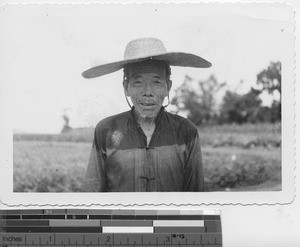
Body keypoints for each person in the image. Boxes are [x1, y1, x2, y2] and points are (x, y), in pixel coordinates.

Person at [82, 37, 211, 192]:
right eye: (138, 82)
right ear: (126, 87)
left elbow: (196, 198)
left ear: (168, 87)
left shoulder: (186, 131)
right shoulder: (106, 130)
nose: (148, 92)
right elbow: (92, 195)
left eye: (157, 82)